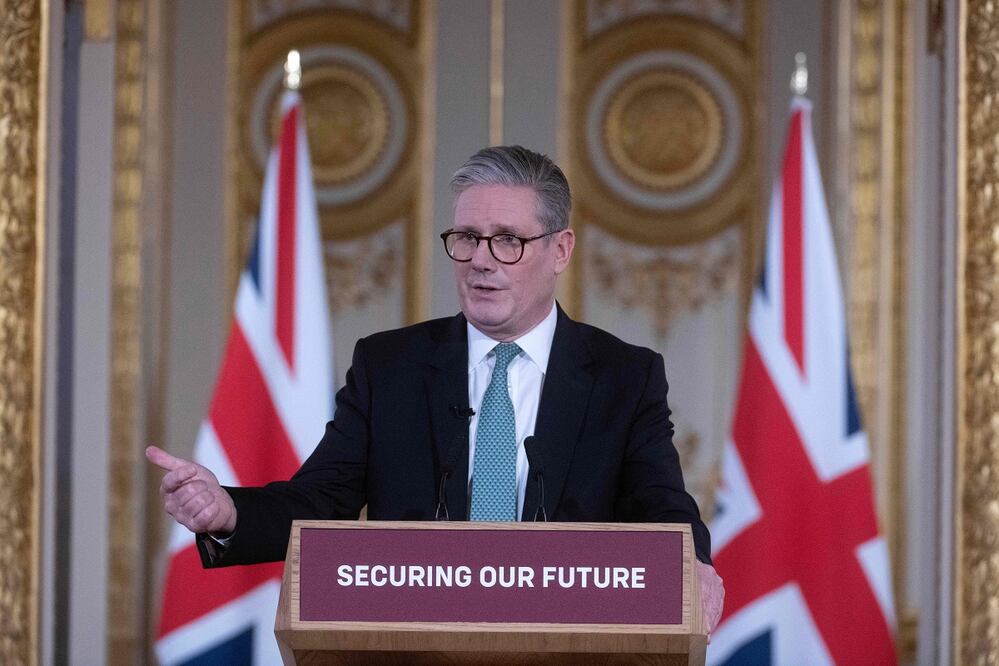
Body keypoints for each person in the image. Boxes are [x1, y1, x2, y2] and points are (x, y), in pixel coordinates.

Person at [147, 145, 724, 635]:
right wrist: (228, 510)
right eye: (468, 237)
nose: (480, 261)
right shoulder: (389, 367)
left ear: (561, 250)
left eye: (507, 241)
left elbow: (662, 504)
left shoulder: (623, 376)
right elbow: (320, 501)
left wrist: (692, 563)